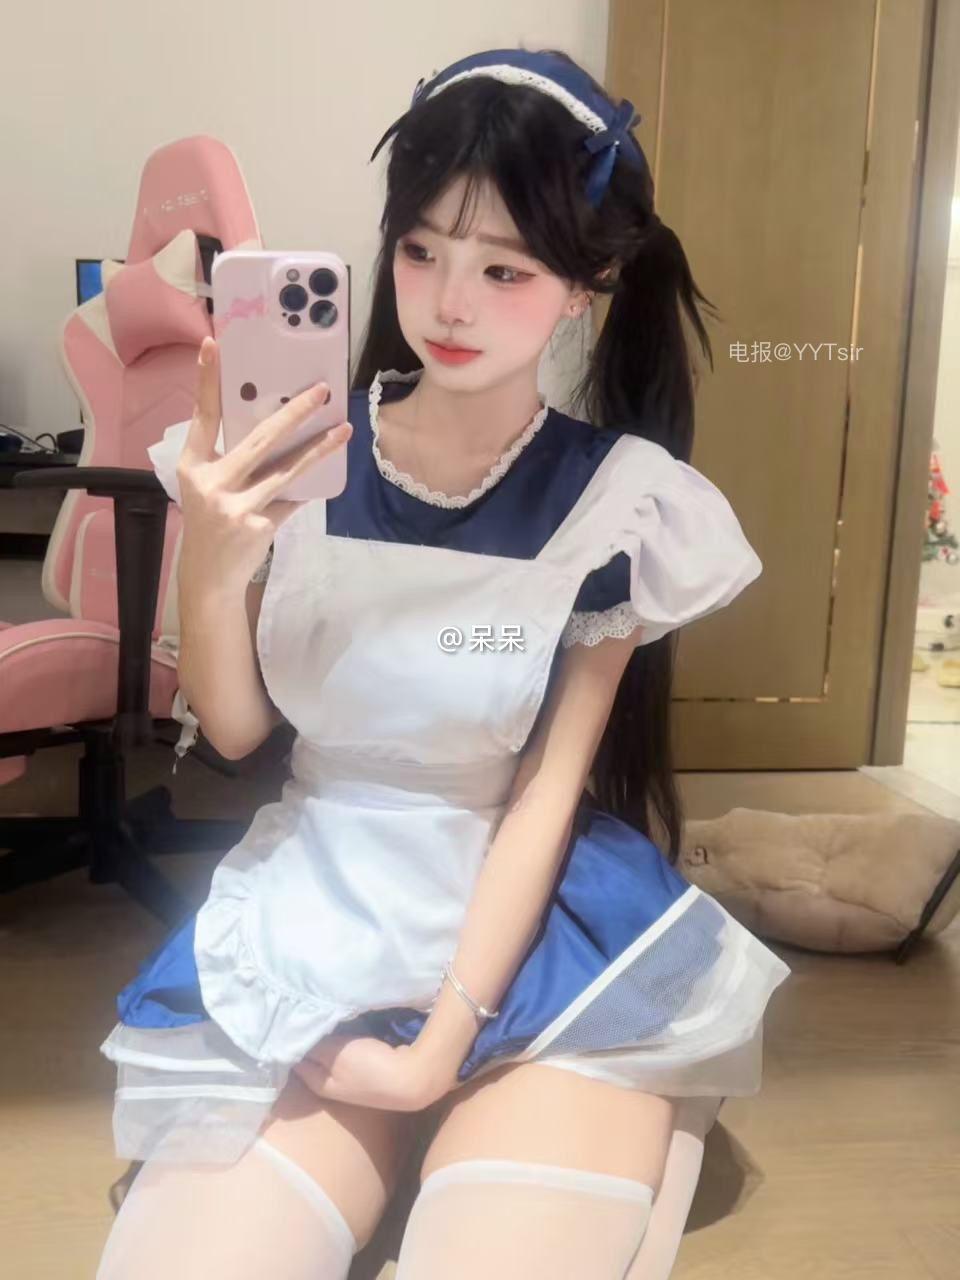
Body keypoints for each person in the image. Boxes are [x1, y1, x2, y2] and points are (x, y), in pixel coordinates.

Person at [95, 46, 791, 1279]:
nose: (449, 302)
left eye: (504, 268)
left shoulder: (620, 502)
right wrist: (210, 558)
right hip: (316, 902)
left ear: (587, 284)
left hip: (524, 924)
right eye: (421, 251)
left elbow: (545, 791)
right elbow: (240, 733)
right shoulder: (299, 450)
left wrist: (438, 1046)